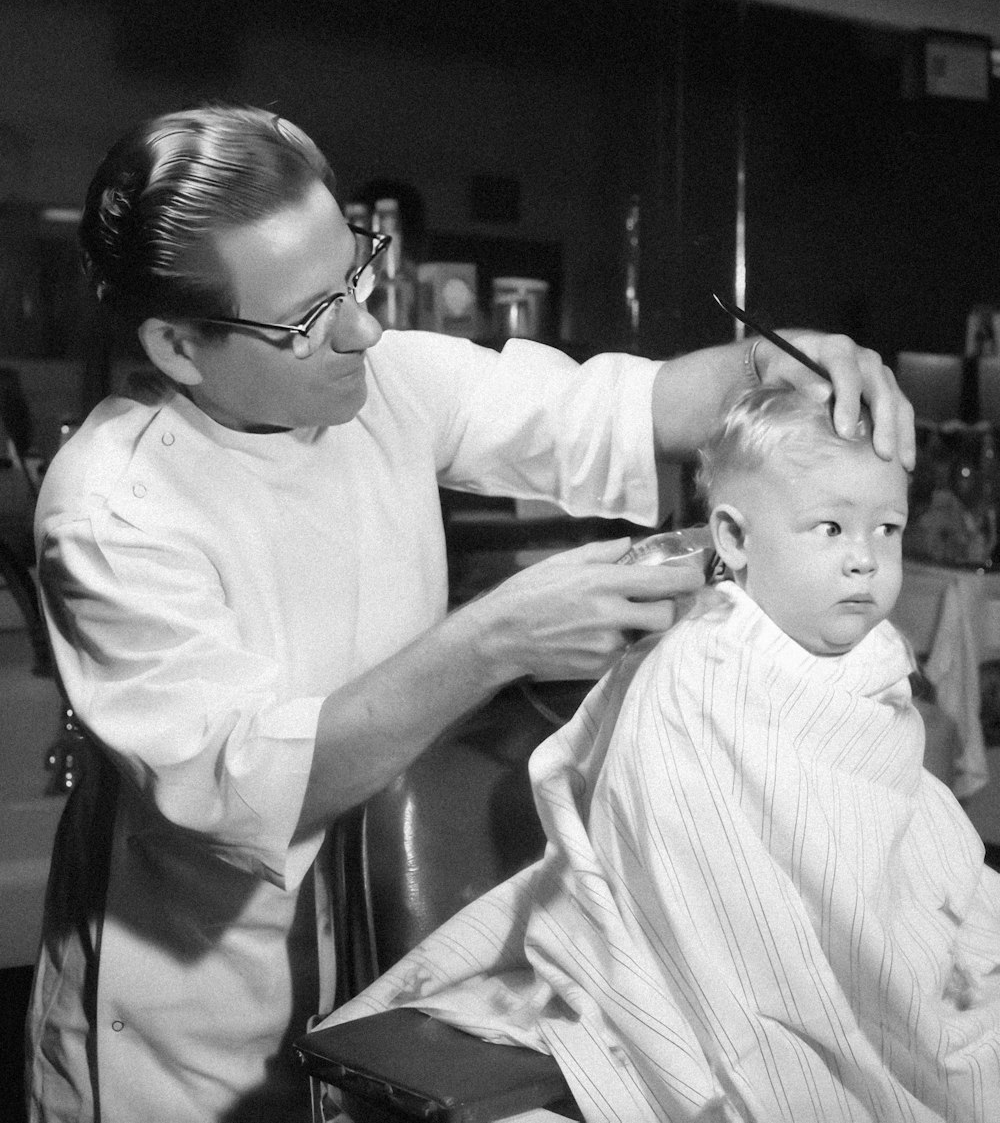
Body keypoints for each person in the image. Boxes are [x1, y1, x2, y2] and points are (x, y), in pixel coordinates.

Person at [25, 104, 913, 1123]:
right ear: (180, 346)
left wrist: (781, 364)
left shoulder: (385, 379)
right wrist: (496, 637)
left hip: (389, 966)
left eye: (355, 274)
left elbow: (625, 407)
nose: (362, 325)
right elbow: (244, 790)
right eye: (308, 318)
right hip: (190, 1042)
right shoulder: (112, 511)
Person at [324, 383, 1000, 1122]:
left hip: (880, 943)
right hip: (743, 968)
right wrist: (851, 963)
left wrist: (900, 942)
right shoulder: (695, 677)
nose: (865, 561)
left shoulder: (876, 659)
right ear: (736, 539)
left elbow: (894, 836)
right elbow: (708, 885)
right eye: (831, 527)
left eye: (887, 529)